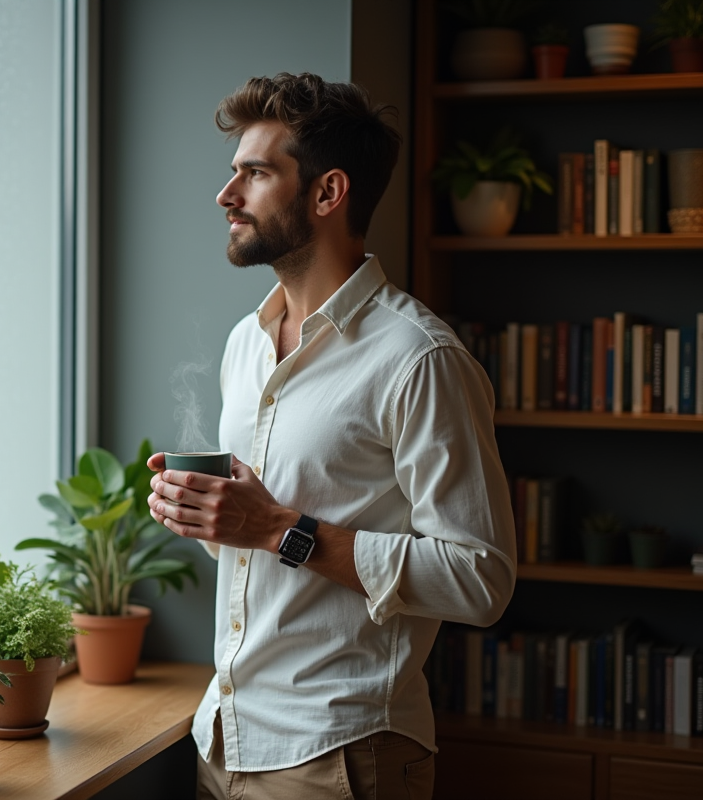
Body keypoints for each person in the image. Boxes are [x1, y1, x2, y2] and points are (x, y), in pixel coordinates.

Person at [146, 73, 518, 800]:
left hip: (341, 759)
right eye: (235, 174)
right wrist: (210, 516)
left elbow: (482, 578)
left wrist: (284, 529)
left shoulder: (420, 359)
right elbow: (254, 538)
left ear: (327, 193)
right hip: (223, 742)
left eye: (255, 174)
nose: (227, 196)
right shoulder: (244, 345)